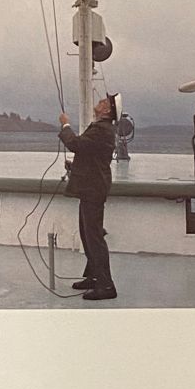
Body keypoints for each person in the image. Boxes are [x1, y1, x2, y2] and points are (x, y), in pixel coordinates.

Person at [58, 95, 119, 301]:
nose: (100, 101)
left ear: (107, 111)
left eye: (104, 101)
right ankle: (94, 277)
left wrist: (65, 124)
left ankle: (106, 285)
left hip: (93, 189)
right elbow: (89, 153)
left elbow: (75, 144)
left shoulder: (102, 129)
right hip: (91, 188)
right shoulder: (101, 128)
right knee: (87, 234)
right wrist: (75, 166)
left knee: (93, 237)